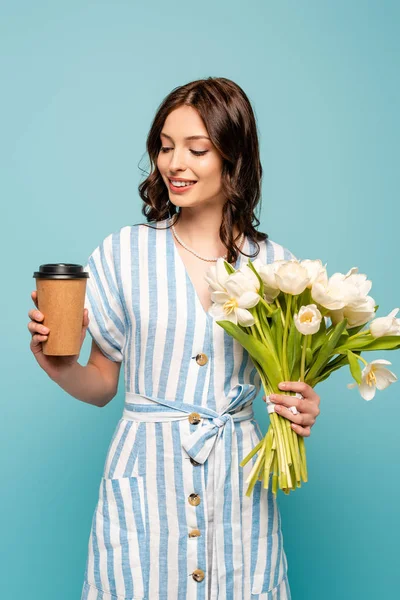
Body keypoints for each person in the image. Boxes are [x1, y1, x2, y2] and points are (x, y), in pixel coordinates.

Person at [28, 77, 321, 600]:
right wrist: (59, 367)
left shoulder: (278, 268)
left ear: (235, 158)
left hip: (238, 479)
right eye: (164, 147)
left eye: (196, 149)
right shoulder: (124, 253)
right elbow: (102, 384)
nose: (173, 164)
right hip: (145, 480)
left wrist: (300, 409)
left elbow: (288, 387)